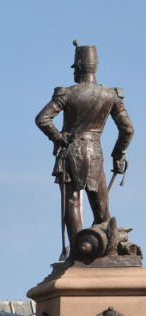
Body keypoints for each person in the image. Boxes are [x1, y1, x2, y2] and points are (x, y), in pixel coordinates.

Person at [35, 42, 134, 259]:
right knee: (101, 204)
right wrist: (118, 155)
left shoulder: (67, 94)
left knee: (72, 200)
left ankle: (77, 251)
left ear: (79, 66)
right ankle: (107, 249)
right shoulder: (111, 95)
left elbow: (42, 119)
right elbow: (127, 129)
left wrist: (59, 138)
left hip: (71, 150)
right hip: (95, 151)